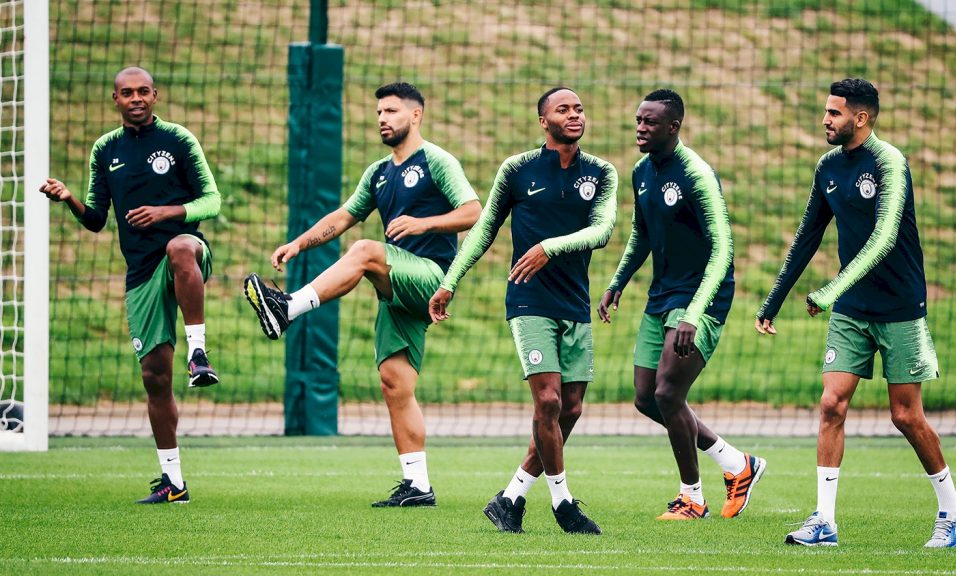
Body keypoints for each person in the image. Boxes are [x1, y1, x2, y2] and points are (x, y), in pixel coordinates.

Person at [756, 78, 956, 548]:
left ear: (860, 117)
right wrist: (773, 301)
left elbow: (885, 237)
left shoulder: (890, 162)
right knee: (832, 404)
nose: (825, 120)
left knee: (905, 416)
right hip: (852, 310)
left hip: (899, 306)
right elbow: (806, 236)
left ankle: (955, 513)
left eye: (834, 113)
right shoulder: (827, 166)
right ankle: (824, 522)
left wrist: (830, 289)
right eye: (826, 112)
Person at [243, 82, 480, 507]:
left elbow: (473, 212)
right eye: (378, 114)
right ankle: (418, 485)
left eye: (390, 111)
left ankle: (288, 308)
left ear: (415, 115)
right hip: (398, 286)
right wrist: (298, 244)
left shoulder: (438, 161)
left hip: (431, 276)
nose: (382, 119)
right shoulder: (378, 172)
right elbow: (344, 216)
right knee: (395, 382)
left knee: (366, 252)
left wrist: (422, 224)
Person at [429, 87, 617, 535]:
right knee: (548, 401)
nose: (574, 115)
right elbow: (483, 230)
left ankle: (511, 497)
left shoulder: (602, 172)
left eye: (579, 108)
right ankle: (562, 503)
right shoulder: (516, 170)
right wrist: (449, 281)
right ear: (543, 121)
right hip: (529, 300)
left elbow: (604, 230)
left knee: (569, 408)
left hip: (575, 303)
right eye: (563, 109)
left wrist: (548, 247)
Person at [39, 67, 221, 504]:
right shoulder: (105, 149)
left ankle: (198, 352)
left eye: (143, 91)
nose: (136, 98)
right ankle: (173, 482)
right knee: (155, 377)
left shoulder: (179, 140)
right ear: (115, 100)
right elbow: (97, 219)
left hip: (186, 254)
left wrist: (166, 212)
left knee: (180, 246)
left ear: (155, 95)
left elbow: (211, 201)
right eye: (127, 93)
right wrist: (69, 200)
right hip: (140, 272)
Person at [598, 89, 766, 521]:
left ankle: (692, 498)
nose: (640, 127)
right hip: (661, 296)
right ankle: (736, 464)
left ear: (673, 127)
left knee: (669, 392)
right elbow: (642, 235)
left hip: (701, 298)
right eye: (638, 120)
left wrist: (694, 312)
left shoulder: (697, 174)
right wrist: (618, 282)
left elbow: (723, 246)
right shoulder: (640, 172)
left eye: (649, 122)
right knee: (645, 398)